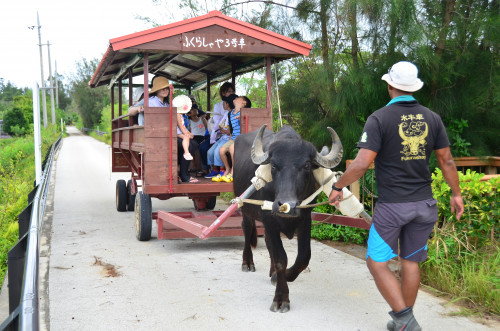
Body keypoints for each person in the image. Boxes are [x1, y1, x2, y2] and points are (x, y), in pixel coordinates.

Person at [328, 61, 464, 331]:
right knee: (410, 261)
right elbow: (447, 161)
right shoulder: (432, 117)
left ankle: (404, 320)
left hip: (393, 207)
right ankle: (404, 321)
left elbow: (362, 163)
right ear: (414, 88)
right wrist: (456, 194)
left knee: (376, 262)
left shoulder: (379, 118)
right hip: (424, 205)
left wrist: (338, 186)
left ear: (390, 86)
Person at [213, 94, 251, 183]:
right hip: (233, 138)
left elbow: (249, 123)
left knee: (231, 148)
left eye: (239, 98)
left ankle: (234, 172)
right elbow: (232, 129)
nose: (236, 98)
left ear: (244, 103)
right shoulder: (230, 113)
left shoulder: (245, 111)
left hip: (242, 138)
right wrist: (230, 138)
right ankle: (227, 169)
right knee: (221, 150)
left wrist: (242, 118)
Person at [204, 82, 235, 178]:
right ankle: (214, 169)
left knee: (219, 151)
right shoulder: (225, 111)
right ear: (223, 93)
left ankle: (223, 170)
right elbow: (219, 122)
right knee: (209, 151)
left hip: (227, 137)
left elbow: (233, 129)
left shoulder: (233, 114)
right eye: (229, 91)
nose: (231, 93)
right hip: (221, 136)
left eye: (232, 91)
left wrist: (226, 131)